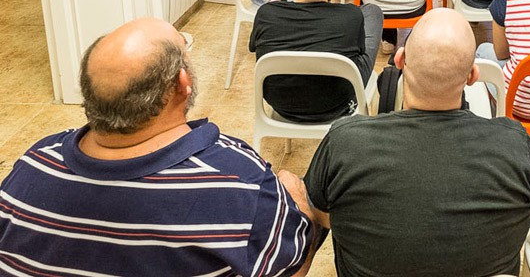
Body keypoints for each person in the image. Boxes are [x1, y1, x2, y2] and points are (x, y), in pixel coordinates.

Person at [0, 18, 318, 276]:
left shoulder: (31, 166)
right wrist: (300, 206)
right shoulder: (241, 183)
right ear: (182, 83)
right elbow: (287, 267)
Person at [280, 8, 530, 276]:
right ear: (472, 76)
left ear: (399, 59)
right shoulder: (515, 144)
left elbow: (319, 211)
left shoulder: (346, 142)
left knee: (295, 188)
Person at [249, 0, 384, 123]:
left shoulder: (267, 13)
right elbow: (360, 50)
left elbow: (253, 46)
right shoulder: (351, 16)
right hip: (338, 105)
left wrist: (273, 1)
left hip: (282, 105)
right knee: (373, 11)